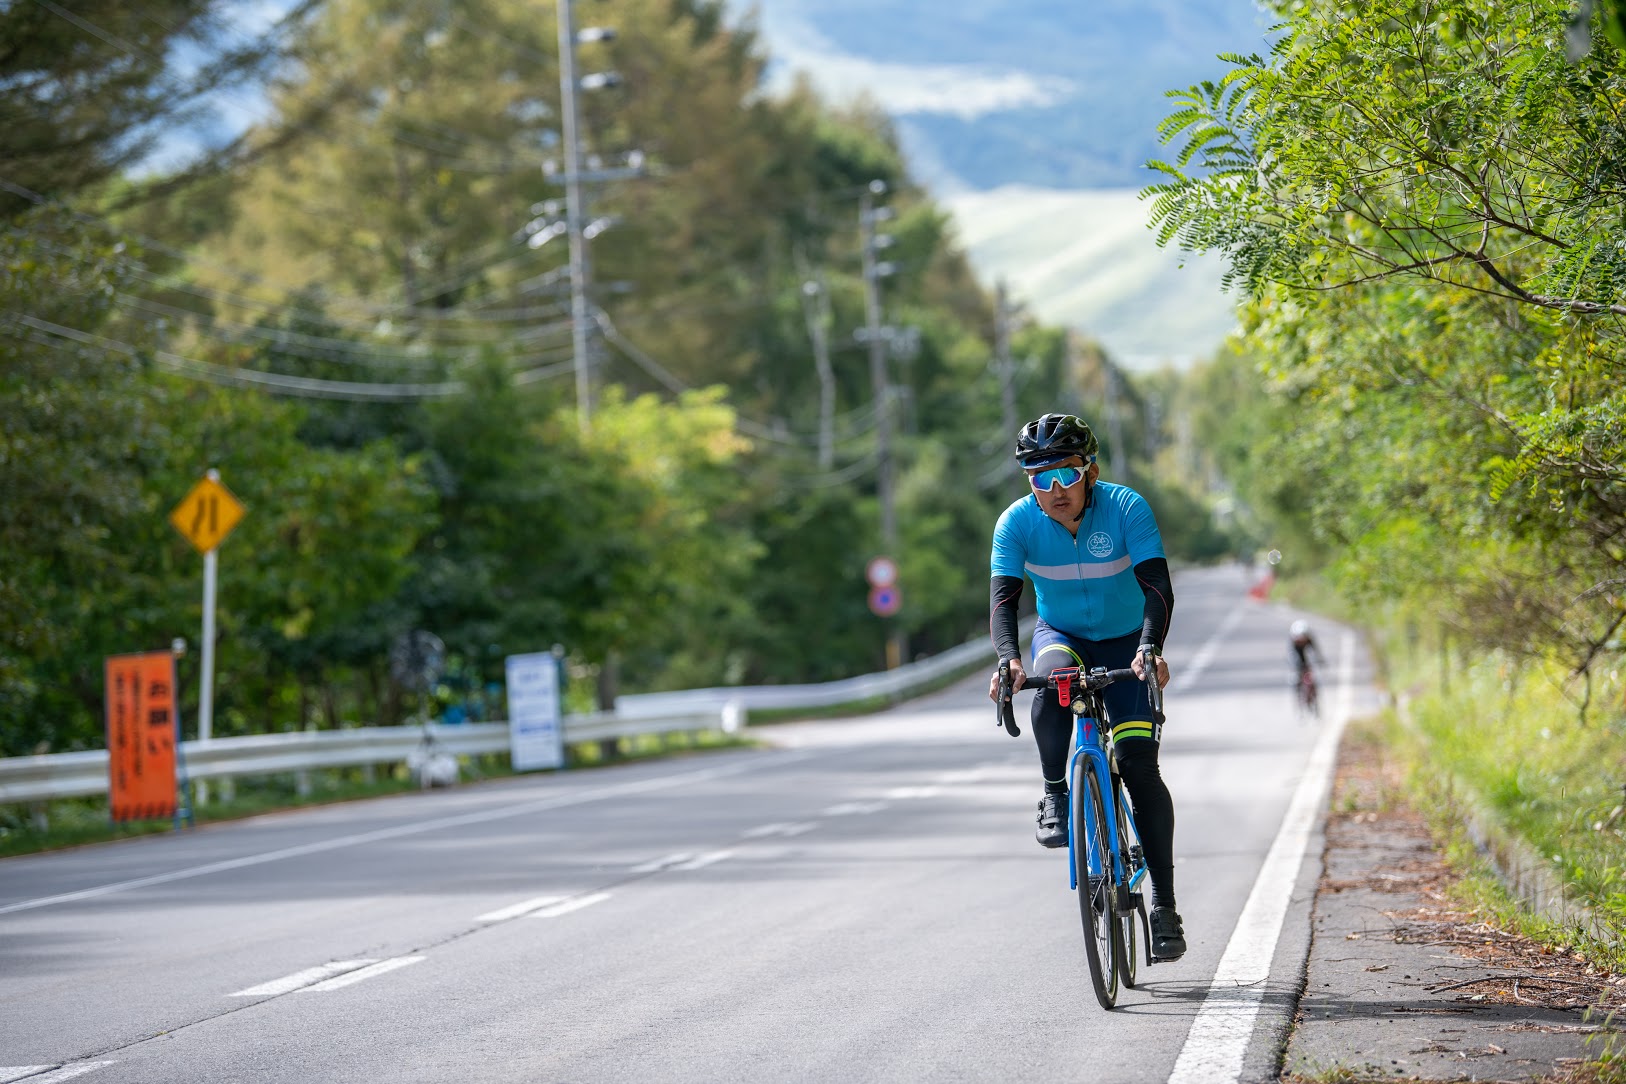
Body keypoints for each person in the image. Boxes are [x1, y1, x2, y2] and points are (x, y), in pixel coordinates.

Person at [986, 413, 1186, 961]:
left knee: (1140, 763)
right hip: (1064, 635)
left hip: (1126, 640)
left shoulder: (1126, 508)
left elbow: (1158, 588)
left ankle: (1165, 905)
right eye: (1038, 478)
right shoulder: (1016, 523)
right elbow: (1004, 602)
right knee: (1052, 685)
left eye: (1065, 475)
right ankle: (1056, 792)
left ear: (1089, 471)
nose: (1054, 491)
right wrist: (1008, 661)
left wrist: (1149, 649)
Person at [1290, 620, 1321, 707]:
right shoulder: (1293, 643)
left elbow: (1316, 651)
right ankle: (1298, 694)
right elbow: (1292, 657)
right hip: (1298, 657)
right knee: (1296, 677)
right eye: (1299, 638)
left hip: (1306, 657)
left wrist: (1320, 660)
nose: (1301, 640)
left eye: (1303, 637)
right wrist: (1296, 667)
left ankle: (1313, 692)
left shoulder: (1310, 639)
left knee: (1311, 674)